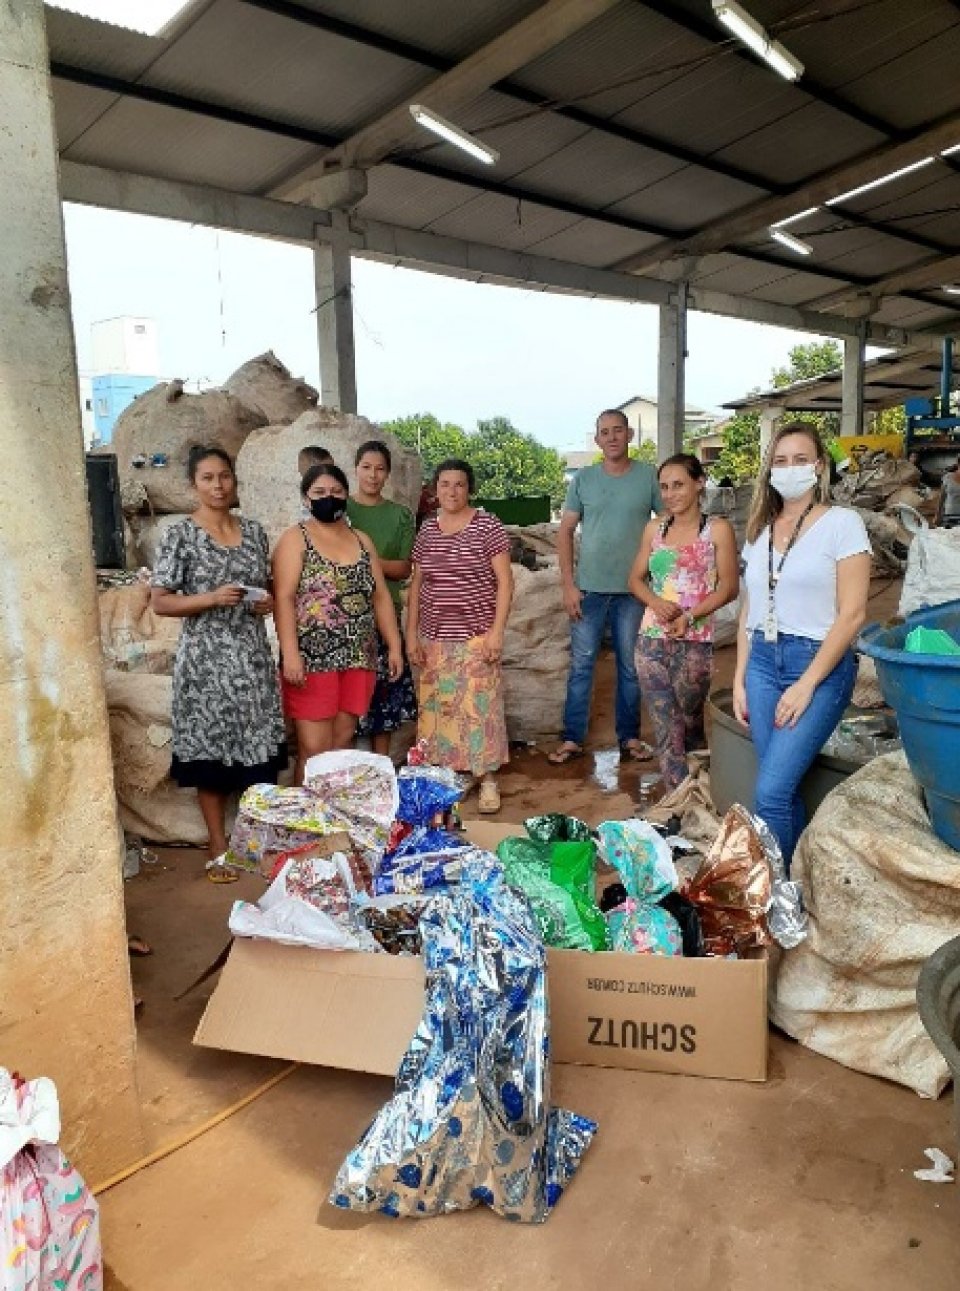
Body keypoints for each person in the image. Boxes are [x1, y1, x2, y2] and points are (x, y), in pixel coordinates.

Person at [733, 423, 871, 868]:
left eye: (799, 460)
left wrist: (807, 684)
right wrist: (739, 678)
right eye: (780, 461)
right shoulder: (759, 531)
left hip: (817, 665)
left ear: (819, 466)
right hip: (762, 665)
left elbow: (852, 615)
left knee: (770, 792)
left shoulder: (842, 524)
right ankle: (793, 883)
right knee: (782, 789)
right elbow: (748, 612)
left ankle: (777, 896)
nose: (789, 469)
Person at [151, 445, 286, 869]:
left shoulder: (255, 532)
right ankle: (216, 842)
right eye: (208, 477)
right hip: (206, 662)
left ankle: (252, 841)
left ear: (234, 481)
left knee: (257, 750)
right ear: (194, 484)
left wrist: (261, 604)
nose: (218, 485)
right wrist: (209, 598)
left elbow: (263, 586)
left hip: (251, 657)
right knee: (211, 753)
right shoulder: (179, 535)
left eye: (224, 476)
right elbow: (160, 602)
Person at [273, 463, 402, 783]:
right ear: (306, 498)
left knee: (342, 742)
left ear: (346, 496)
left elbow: (381, 596)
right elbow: (284, 597)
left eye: (336, 492)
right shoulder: (295, 539)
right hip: (312, 659)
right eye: (319, 492)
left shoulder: (362, 541)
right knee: (314, 748)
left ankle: (330, 820)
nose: (328, 498)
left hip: (360, 656)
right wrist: (290, 653)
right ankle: (304, 824)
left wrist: (394, 645)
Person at [549, 409, 662, 765]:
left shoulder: (648, 478)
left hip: (634, 592)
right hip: (589, 591)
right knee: (582, 665)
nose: (612, 437)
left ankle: (629, 738)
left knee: (630, 666)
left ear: (629, 435)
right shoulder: (583, 480)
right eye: (604, 432)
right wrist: (568, 585)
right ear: (597, 439)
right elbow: (564, 531)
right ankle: (572, 739)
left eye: (618, 431)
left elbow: (666, 525)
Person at [405, 459, 513, 813]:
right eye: (445, 484)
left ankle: (487, 780)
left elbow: (505, 582)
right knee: (442, 712)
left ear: (470, 489)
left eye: (460, 484)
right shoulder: (427, 532)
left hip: (476, 636)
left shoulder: (487, 526)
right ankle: (455, 776)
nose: (452, 491)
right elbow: (418, 586)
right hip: (435, 638)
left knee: (480, 711)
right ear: (435, 490)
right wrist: (412, 635)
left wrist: (497, 632)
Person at [629, 454, 739, 791]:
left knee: (690, 723)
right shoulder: (655, 529)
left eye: (678, 485)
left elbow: (729, 587)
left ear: (699, 482)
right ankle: (678, 802)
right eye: (664, 487)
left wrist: (690, 616)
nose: (670, 494)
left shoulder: (716, 530)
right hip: (650, 640)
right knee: (665, 726)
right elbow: (634, 579)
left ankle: (702, 788)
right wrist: (657, 603)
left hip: (695, 642)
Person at [346, 440, 418, 755]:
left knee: (384, 703)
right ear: (355, 469)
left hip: (385, 617)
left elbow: (403, 568)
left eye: (380, 469)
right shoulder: (341, 509)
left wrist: (365, 558)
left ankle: (381, 771)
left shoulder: (401, 515)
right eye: (366, 467)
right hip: (346, 619)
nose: (373, 475)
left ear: (388, 474)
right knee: (348, 703)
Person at [938, 459, 960, 528]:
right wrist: (938, 514)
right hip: (949, 515)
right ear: (958, 464)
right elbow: (942, 496)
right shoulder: (948, 477)